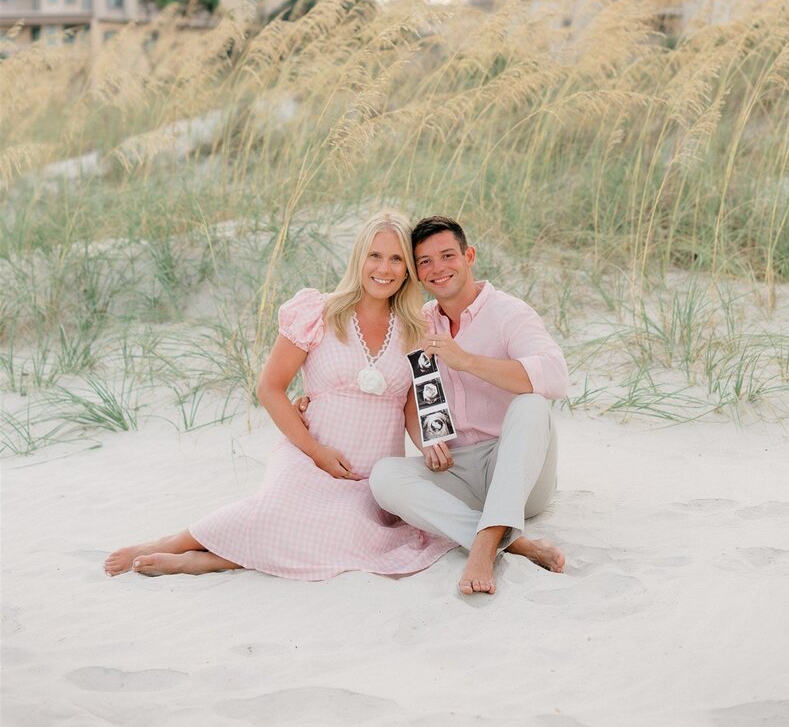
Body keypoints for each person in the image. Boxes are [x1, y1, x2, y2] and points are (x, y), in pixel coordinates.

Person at [104, 210, 455, 580]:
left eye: (396, 258)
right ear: (359, 259)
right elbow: (269, 388)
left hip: (368, 475)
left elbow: (413, 405)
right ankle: (174, 542)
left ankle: (209, 560)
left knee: (346, 529)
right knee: (274, 513)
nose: (384, 268)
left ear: (407, 270)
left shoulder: (417, 328)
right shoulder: (319, 312)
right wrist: (316, 452)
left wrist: (432, 442)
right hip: (307, 454)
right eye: (375, 255)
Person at [369, 216, 570, 597]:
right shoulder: (419, 323)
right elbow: (406, 391)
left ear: (469, 256)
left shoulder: (509, 312)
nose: (437, 268)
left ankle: (485, 542)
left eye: (447, 255)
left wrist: (467, 361)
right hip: (459, 471)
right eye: (424, 261)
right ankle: (510, 541)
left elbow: (556, 375)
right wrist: (426, 440)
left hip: (520, 471)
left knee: (531, 404)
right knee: (384, 477)